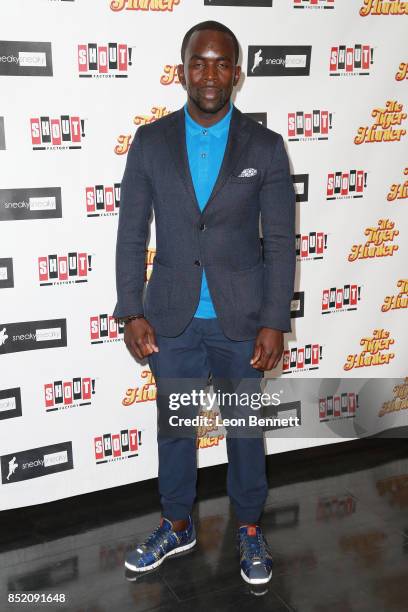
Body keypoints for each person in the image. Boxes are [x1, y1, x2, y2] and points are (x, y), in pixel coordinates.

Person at [113, 20, 296, 585]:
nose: (210, 74)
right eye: (199, 61)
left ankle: (247, 528)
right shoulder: (150, 141)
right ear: (182, 69)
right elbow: (129, 234)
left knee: (244, 429)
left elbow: (282, 240)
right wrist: (131, 309)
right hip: (171, 317)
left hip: (242, 321)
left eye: (222, 63)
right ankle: (177, 522)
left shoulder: (264, 147)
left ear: (237, 73)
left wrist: (274, 320)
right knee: (176, 427)